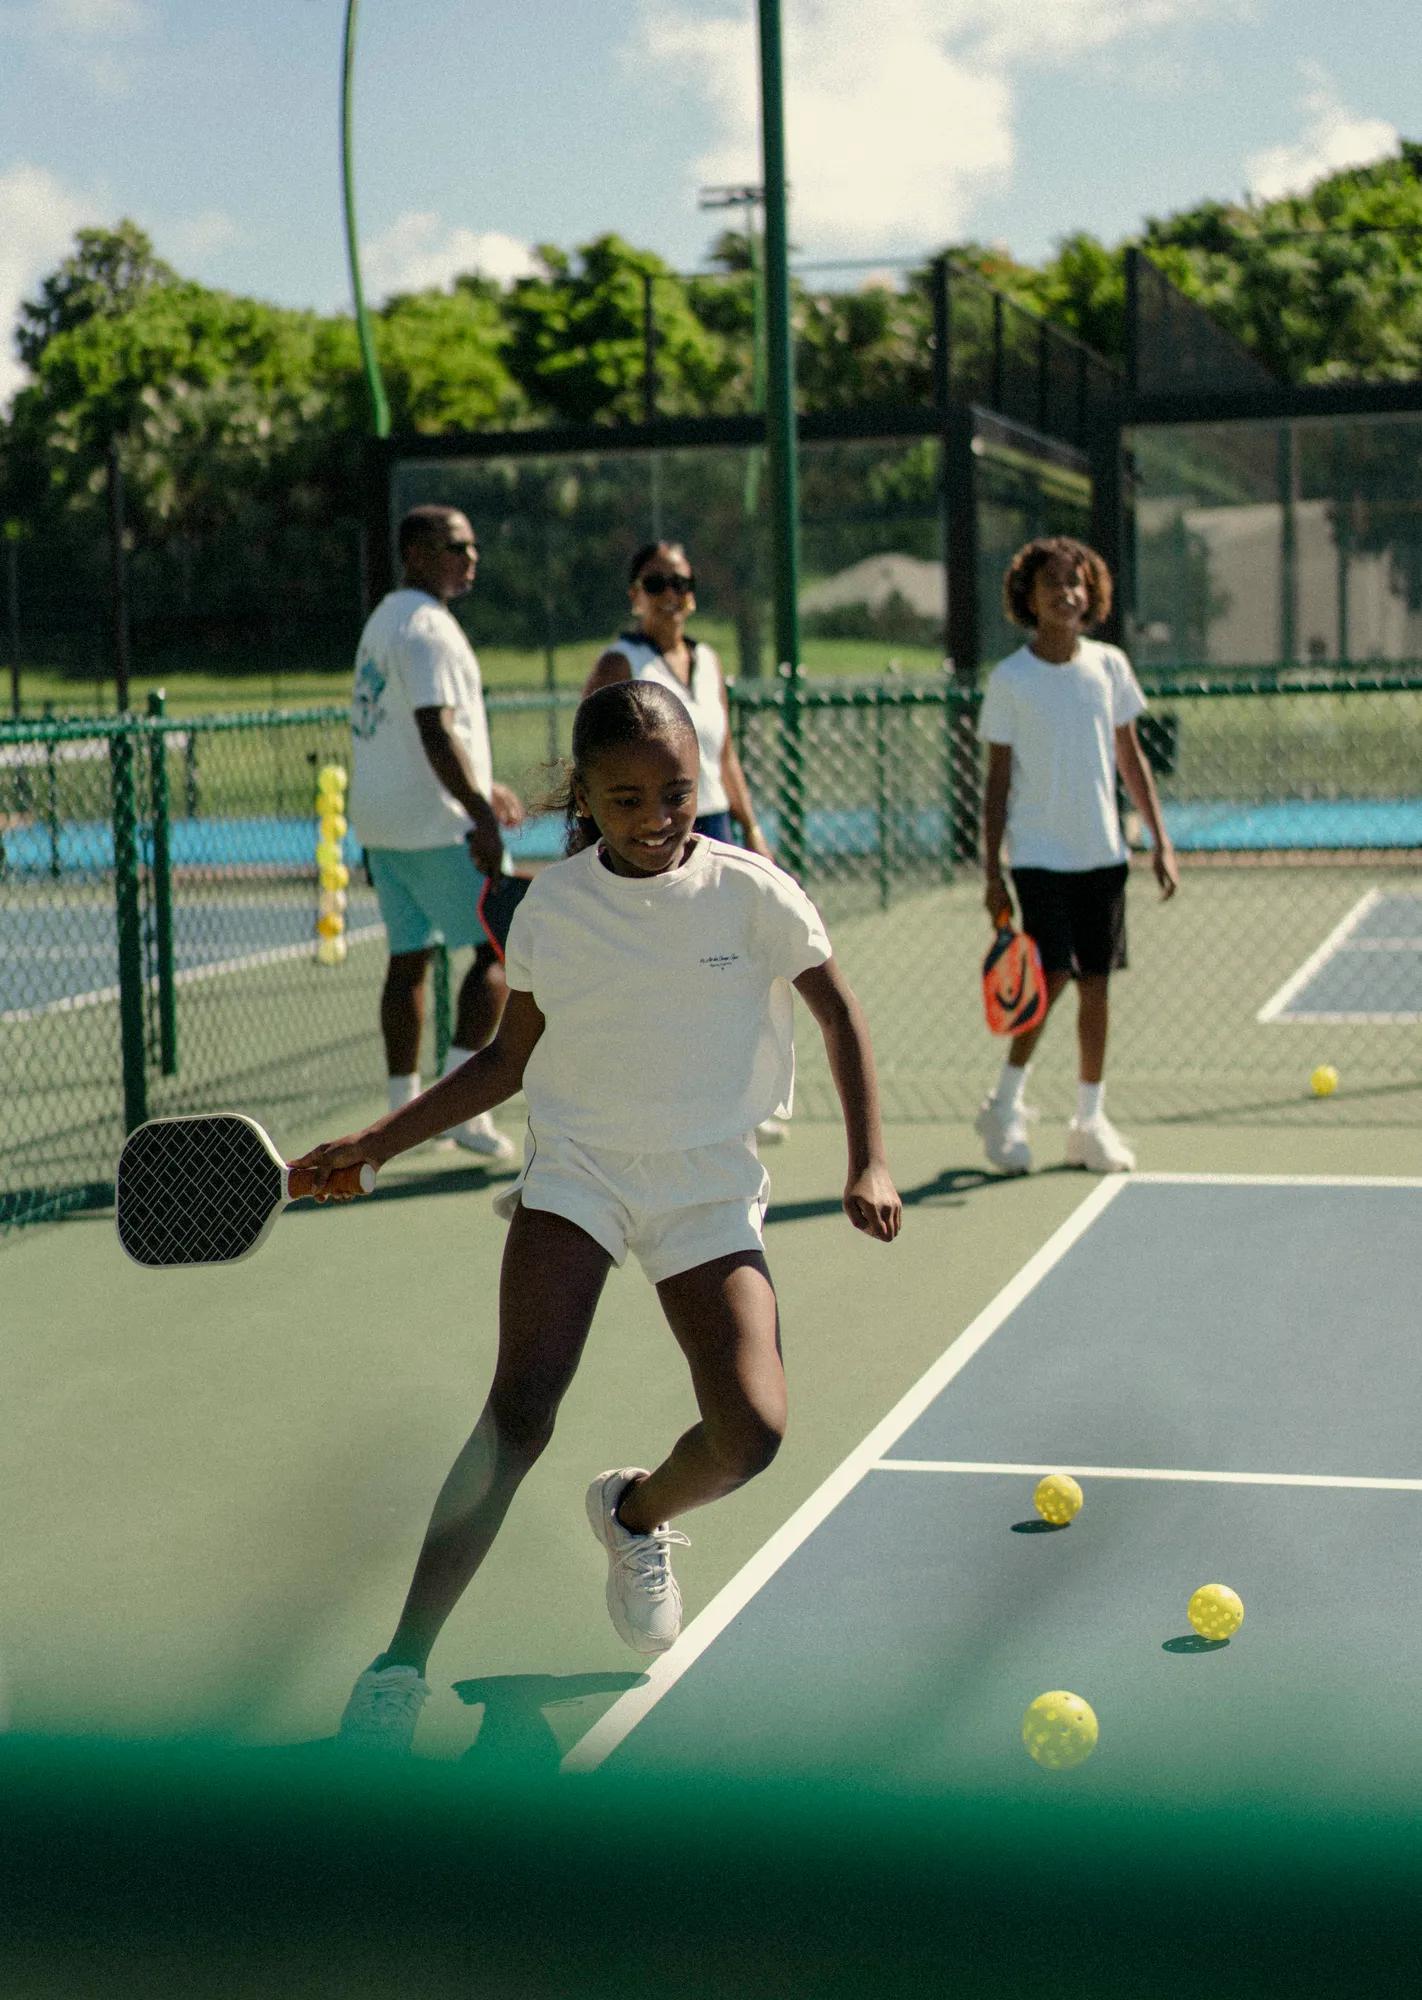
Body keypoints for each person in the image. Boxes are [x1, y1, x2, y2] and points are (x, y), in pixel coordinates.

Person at [295, 679, 901, 1753]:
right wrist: (376, 1144)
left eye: (675, 791)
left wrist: (872, 1162)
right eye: (628, 799)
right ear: (586, 796)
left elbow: (839, 1008)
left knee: (752, 1432)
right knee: (517, 1414)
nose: (658, 816)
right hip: (579, 1172)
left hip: (707, 1182)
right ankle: (399, 1666)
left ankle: (635, 1513)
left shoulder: (754, 894)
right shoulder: (556, 908)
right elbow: (507, 1060)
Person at [974, 536, 1178, 1177]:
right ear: (1028, 597)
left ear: (1092, 596)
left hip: (1104, 855)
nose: (1068, 592)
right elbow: (997, 783)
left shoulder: (1110, 666)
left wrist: (1159, 840)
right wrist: (992, 873)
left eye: (1078, 582)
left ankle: (1089, 1122)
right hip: (1037, 858)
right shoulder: (1010, 680)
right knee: (1052, 978)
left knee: (1097, 985)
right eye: (1053, 582)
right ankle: (1004, 1105)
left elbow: (1130, 757)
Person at [585, 540, 788, 1141]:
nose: (670, 595)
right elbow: (591, 758)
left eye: (680, 583)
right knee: (665, 966)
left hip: (714, 828)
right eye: (655, 583)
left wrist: (753, 832)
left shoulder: (710, 660)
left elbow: (724, 757)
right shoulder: (619, 662)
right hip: (650, 833)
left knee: (734, 963)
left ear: (693, 594)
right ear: (634, 594)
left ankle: (744, 1091)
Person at [350, 504, 524, 1162]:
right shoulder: (427, 628)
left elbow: (416, 732)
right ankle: (458, 1108)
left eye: (473, 545)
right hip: (435, 827)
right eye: (455, 546)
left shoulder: (385, 620)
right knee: (496, 953)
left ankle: (404, 1107)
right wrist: (479, 815)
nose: (469, 557)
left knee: (409, 958)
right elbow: (434, 728)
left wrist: (486, 786)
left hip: (386, 826)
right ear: (415, 554)